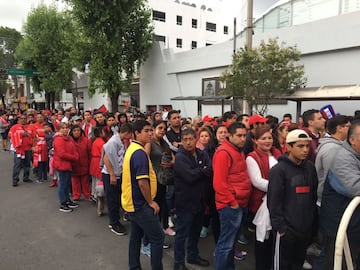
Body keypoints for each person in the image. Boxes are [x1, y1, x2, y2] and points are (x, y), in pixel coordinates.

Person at [267, 129, 318, 270]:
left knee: (298, 263)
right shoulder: (278, 170)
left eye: (307, 146)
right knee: (283, 265)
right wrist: (281, 229)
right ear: (288, 147)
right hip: (287, 230)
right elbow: (273, 202)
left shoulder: (310, 168)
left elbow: (312, 197)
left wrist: (312, 224)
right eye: (300, 146)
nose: (305, 150)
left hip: (305, 228)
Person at [121, 120, 164, 270]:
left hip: (132, 201)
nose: (150, 133)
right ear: (137, 133)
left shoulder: (133, 148)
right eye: (146, 131)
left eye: (151, 130)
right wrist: (151, 202)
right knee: (158, 237)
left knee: (135, 236)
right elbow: (142, 183)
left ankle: (134, 266)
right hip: (139, 203)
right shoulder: (139, 154)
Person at [319, 120, 360, 270]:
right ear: (352, 140)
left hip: (352, 225)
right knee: (335, 262)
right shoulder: (343, 159)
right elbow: (355, 187)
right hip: (339, 225)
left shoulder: (355, 155)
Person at [213, 122, 251, 270]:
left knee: (231, 244)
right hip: (230, 205)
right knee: (226, 245)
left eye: (244, 135)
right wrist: (232, 202)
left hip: (240, 203)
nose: (243, 139)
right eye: (239, 136)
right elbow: (219, 183)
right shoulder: (224, 153)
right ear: (230, 135)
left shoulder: (238, 151)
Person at [173, 128, 212, 270]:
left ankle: (192, 255)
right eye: (185, 140)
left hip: (200, 201)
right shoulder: (180, 157)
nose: (188, 142)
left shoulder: (202, 153)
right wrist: (202, 170)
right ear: (182, 141)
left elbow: (210, 170)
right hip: (186, 202)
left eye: (191, 139)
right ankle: (178, 262)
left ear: (196, 139)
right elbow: (189, 177)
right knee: (182, 234)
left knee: (195, 232)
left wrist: (199, 171)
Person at [246, 126, 281, 270]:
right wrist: (280, 188)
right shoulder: (252, 157)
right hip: (262, 203)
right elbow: (257, 181)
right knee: (262, 239)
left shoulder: (277, 154)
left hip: (278, 202)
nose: (267, 141)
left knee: (274, 238)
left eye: (270, 138)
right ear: (255, 140)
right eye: (263, 138)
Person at [101, 123, 133, 236]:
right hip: (110, 174)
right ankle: (114, 223)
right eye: (131, 134)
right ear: (126, 132)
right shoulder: (113, 142)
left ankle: (117, 219)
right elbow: (106, 158)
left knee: (118, 197)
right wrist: (112, 174)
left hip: (118, 173)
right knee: (112, 200)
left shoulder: (121, 141)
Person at [53, 122, 80, 212]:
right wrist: (74, 157)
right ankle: (63, 203)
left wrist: (75, 155)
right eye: (63, 128)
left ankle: (67, 201)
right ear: (59, 129)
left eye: (66, 128)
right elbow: (62, 154)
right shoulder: (59, 139)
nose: (65, 129)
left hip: (68, 164)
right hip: (62, 164)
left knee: (67, 184)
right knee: (63, 184)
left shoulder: (68, 138)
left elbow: (74, 148)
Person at [9, 114, 35, 186]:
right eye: (22, 118)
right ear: (19, 119)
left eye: (24, 118)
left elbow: (33, 137)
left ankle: (26, 177)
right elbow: (10, 135)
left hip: (28, 148)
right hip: (18, 150)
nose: (23, 119)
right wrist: (20, 134)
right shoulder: (14, 127)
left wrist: (33, 146)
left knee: (27, 164)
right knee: (17, 164)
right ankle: (15, 180)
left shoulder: (30, 127)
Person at [69, 125, 91, 202]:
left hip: (84, 163)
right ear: (72, 132)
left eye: (78, 130)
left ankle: (87, 194)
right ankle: (76, 195)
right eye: (74, 130)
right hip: (74, 164)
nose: (76, 132)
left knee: (85, 181)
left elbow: (89, 152)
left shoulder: (85, 140)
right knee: (75, 181)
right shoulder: (69, 140)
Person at [90, 126, 106, 216]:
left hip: (94, 161)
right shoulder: (102, 143)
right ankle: (97, 195)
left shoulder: (95, 141)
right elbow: (103, 154)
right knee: (99, 181)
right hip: (98, 161)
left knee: (94, 179)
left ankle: (93, 194)